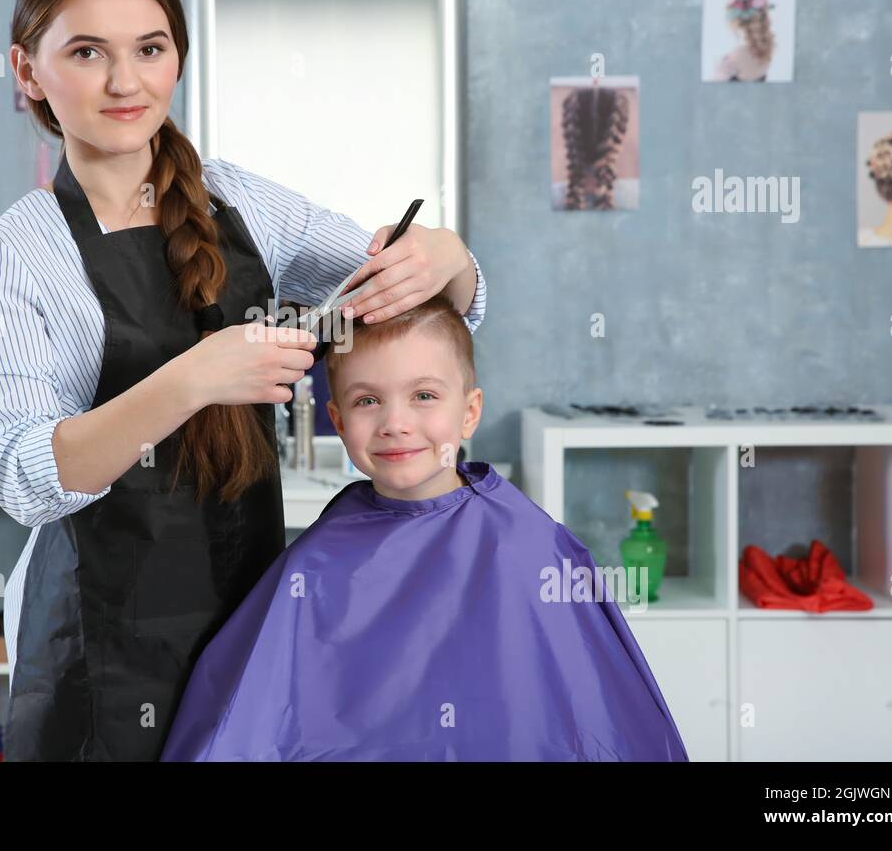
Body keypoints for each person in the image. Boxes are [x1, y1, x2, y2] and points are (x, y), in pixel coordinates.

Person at [0, 0, 488, 761]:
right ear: (28, 71)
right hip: (99, 647)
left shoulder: (242, 203)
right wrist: (194, 377)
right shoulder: (16, 254)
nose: (126, 82)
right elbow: (26, 478)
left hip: (250, 619)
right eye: (88, 51)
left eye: (151, 48)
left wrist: (453, 261)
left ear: (178, 58)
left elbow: (385, 308)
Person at [161, 294, 688, 761]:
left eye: (424, 396)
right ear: (339, 421)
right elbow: (248, 719)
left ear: (470, 412)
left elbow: (586, 718)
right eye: (368, 400)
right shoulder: (316, 561)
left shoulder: (528, 547)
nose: (395, 422)